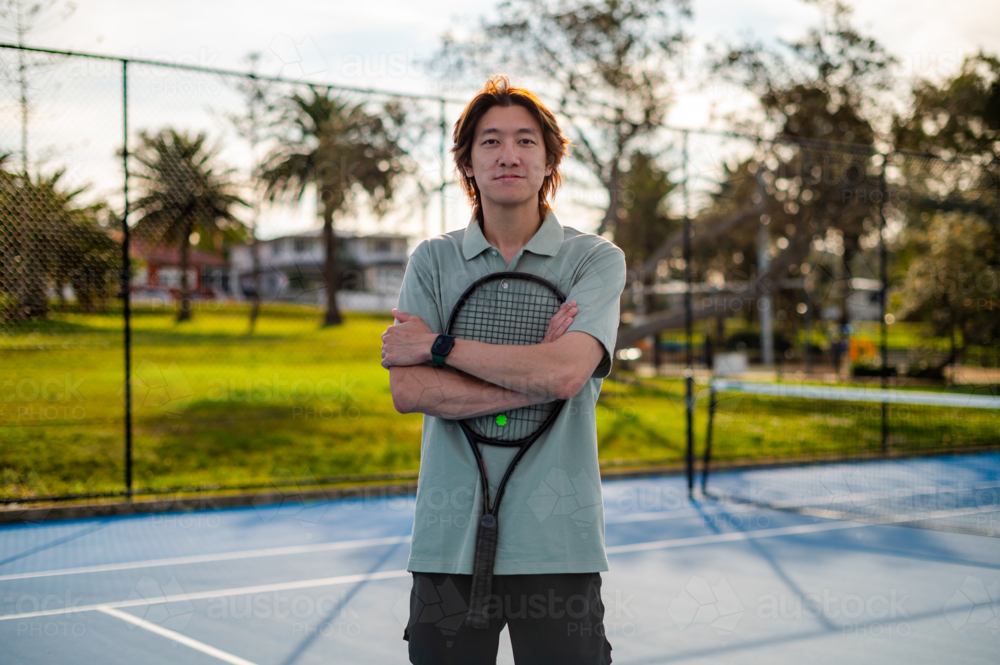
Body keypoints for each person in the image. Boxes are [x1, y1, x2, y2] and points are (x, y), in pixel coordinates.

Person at [381, 74, 625, 665]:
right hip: (447, 549)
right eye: (489, 142)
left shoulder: (595, 259)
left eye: (525, 141)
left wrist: (438, 347)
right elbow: (410, 389)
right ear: (466, 161)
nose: (508, 154)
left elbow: (566, 375)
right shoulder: (433, 260)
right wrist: (535, 374)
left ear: (549, 161)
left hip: (559, 546)